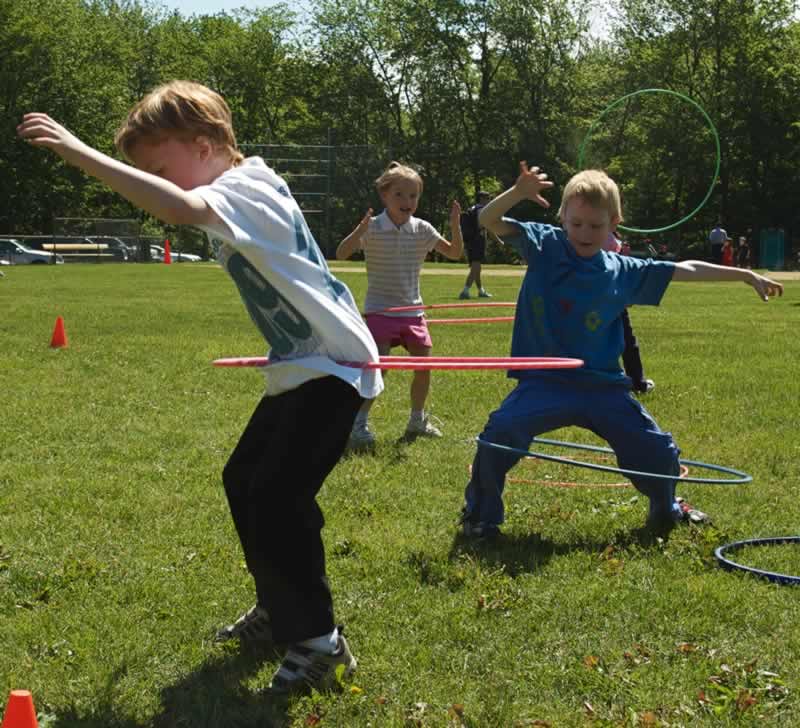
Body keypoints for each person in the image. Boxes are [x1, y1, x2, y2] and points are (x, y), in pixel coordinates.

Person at [17, 80, 384, 694]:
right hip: (303, 366)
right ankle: (279, 608)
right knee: (245, 481)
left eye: (162, 166)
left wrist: (79, 153)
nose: (161, 181)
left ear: (204, 141)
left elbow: (178, 208)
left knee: (278, 496)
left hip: (337, 366)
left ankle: (319, 642)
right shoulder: (240, 189)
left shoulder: (248, 188)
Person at [460, 162, 782, 539]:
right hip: (544, 381)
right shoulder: (544, 245)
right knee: (500, 431)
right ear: (562, 216)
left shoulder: (623, 269)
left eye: (596, 226)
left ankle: (667, 508)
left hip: (603, 387)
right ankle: (480, 517)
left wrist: (746, 274)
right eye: (577, 223)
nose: (584, 232)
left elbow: (686, 269)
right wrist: (518, 191)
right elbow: (487, 219)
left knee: (658, 451)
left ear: (614, 222)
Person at [337, 162, 463, 448]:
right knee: (379, 368)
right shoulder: (373, 228)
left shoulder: (422, 229)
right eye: (400, 195)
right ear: (384, 195)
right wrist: (359, 231)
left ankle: (417, 420)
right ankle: (358, 423)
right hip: (381, 310)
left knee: (424, 366)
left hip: (412, 311)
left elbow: (455, 253)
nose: (408, 202)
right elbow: (341, 253)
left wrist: (456, 226)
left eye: (413, 196)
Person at [604, 232, 654, 394]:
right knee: (627, 342)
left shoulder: (582, 235)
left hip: (594, 298)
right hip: (612, 299)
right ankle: (637, 382)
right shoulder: (608, 238)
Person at [459, 191, 493, 299]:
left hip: (470, 241)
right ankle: (465, 291)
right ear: (482, 199)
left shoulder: (472, 208)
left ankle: (480, 291)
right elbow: (482, 225)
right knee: (476, 267)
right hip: (477, 241)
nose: (489, 200)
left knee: (477, 267)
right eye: (488, 198)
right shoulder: (481, 209)